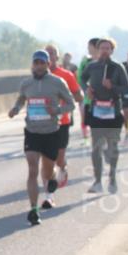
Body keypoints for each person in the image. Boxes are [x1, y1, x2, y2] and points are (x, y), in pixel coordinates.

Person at [8, 50, 75, 224]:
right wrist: (15, 109)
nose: (38, 66)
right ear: (32, 64)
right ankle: (33, 209)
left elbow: (71, 103)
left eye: (42, 63)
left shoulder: (57, 82)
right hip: (32, 131)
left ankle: (52, 180)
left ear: (47, 64)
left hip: (51, 132)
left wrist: (57, 111)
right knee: (32, 169)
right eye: (36, 63)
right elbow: (21, 99)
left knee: (47, 170)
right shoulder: (26, 83)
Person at [82, 38, 128, 194]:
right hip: (96, 111)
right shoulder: (92, 66)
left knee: (112, 149)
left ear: (112, 50)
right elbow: (82, 79)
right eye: (102, 48)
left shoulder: (118, 67)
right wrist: (87, 88)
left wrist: (113, 87)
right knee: (96, 148)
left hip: (113, 112)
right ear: (97, 50)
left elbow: (126, 89)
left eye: (107, 48)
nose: (104, 50)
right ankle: (97, 182)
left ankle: (112, 177)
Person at [46, 44, 84, 198]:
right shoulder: (36, 76)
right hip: (43, 124)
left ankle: (62, 167)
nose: (49, 56)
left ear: (57, 56)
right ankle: (50, 191)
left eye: (52, 54)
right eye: (46, 54)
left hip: (62, 121)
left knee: (59, 157)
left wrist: (64, 97)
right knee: (48, 158)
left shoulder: (66, 75)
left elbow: (78, 96)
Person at [77, 37, 101, 145]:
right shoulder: (85, 61)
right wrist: (86, 89)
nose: (87, 48)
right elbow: (80, 77)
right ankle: (90, 139)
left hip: (105, 98)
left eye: (89, 46)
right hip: (89, 97)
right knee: (89, 120)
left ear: (95, 46)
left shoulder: (106, 60)